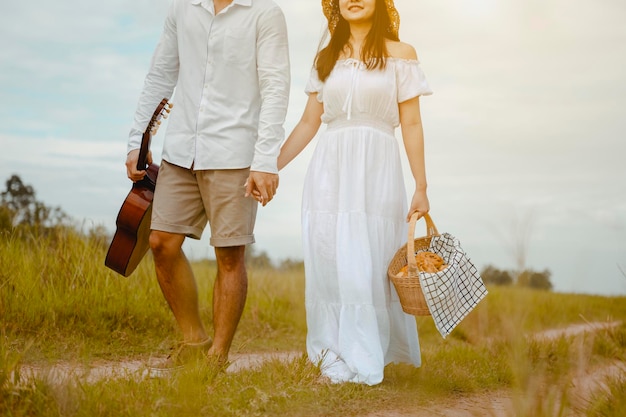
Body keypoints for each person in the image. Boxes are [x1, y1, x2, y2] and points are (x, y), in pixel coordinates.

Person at [125, 0, 290, 369]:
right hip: (180, 150)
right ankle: (194, 340)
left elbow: (276, 87)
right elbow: (160, 75)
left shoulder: (265, 13)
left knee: (230, 254)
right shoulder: (182, 8)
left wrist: (265, 160)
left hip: (235, 152)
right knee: (160, 242)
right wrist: (139, 139)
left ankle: (217, 356)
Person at [276, 0, 432, 385]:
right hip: (330, 169)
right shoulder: (326, 57)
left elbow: (411, 122)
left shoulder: (401, 54)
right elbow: (309, 123)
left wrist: (422, 186)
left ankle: (366, 352)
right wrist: (268, 166)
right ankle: (331, 349)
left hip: (377, 169)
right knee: (330, 259)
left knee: (367, 260)